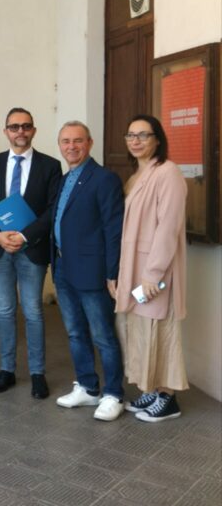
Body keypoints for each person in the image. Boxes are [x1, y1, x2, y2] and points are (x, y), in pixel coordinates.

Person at [0, 108, 62, 399]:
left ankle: (38, 373)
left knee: (33, 311)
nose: (20, 131)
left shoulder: (50, 165)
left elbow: (52, 209)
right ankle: (7, 370)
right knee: (4, 311)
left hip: (32, 249)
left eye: (26, 126)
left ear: (33, 130)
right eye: (14, 127)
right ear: (6, 131)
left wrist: (25, 236)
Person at [112, 115, 188, 422]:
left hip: (156, 273)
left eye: (144, 135)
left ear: (158, 139)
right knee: (141, 330)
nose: (136, 141)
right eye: (131, 135)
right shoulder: (136, 176)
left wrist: (153, 274)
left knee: (160, 330)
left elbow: (168, 228)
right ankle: (153, 389)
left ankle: (168, 399)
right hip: (134, 269)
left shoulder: (168, 173)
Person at [52, 121, 125, 421]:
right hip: (63, 267)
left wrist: (112, 273)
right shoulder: (65, 179)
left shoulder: (104, 178)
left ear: (90, 143)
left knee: (103, 335)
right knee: (75, 332)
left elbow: (113, 229)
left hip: (93, 271)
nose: (71, 146)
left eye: (78, 141)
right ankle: (87, 387)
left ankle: (113, 394)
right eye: (66, 141)